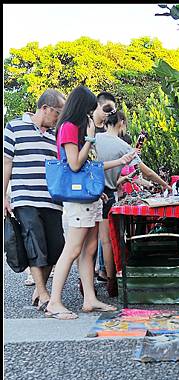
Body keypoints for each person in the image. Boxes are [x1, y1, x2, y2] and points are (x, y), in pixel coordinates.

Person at [45, 85, 137, 319]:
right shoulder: (68, 128)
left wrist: (118, 164)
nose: (93, 113)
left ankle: (90, 299)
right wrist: (88, 139)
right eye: (91, 108)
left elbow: (88, 167)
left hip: (90, 197)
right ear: (82, 107)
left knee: (89, 249)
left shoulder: (78, 128)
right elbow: (75, 164)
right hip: (77, 199)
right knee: (73, 248)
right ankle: (54, 302)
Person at [95, 110, 172, 296]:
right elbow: (148, 172)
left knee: (89, 242)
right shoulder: (123, 146)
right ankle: (112, 283)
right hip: (107, 193)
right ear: (121, 122)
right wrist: (166, 186)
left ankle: (87, 281)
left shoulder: (95, 137)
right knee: (106, 241)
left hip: (90, 193)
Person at [4, 89, 67, 309]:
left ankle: (40, 291)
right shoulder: (14, 127)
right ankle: (42, 291)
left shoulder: (55, 135)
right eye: (57, 112)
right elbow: (6, 164)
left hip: (51, 199)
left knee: (57, 245)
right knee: (34, 241)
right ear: (45, 108)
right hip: (25, 196)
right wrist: (3, 195)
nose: (59, 117)